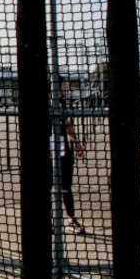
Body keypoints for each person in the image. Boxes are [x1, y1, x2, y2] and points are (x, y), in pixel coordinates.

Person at [57, 77, 86, 235]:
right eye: (63, 85)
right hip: (49, 148)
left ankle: (71, 219)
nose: (66, 87)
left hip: (62, 148)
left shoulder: (61, 102)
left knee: (65, 186)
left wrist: (76, 142)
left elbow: (67, 124)